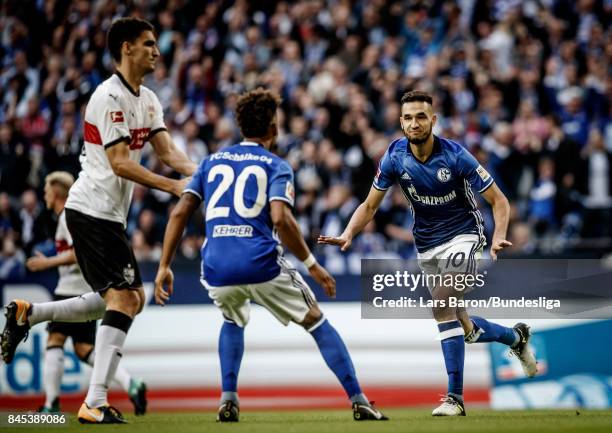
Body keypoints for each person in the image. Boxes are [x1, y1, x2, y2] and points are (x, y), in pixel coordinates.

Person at [1, 17, 196, 424]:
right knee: (124, 299)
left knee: (130, 299)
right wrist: (174, 188)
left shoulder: (148, 99)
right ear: (126, 48)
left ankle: (29, 314)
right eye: (148, 44)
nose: (157, 52)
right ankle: (94, 401)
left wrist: (204, 174)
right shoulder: (107, 97)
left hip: (108, 215)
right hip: (91, 210)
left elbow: (168, 152)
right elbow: (121, 164)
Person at [154, 88, 387, 422]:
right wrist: (313, 265)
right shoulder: (276, 166)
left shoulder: (210, 162)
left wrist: (164, 265)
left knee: (232, 317)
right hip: (260, 263)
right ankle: (359, 400)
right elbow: (280, 218)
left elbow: (178, 215)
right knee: (315, 319)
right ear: (273, 128)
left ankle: (228, 398)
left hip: (216, 266)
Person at [318, 90, 537, 416]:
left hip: (465, 236)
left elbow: (499, 200)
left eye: (421, 116)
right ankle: (516, 338)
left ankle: (455, 399)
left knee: (441, 304)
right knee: (465, 328)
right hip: (427, 245)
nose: (414, 123)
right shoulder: (394, 157)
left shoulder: (456, 155)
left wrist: (498, 237)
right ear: (401, 121)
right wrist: (348, 233)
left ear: (433, 120)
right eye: (408, 117)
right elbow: (369, 205)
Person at [26, 172, 147, 415]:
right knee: (84, 349)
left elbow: (78, 252)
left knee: (55, 340)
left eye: (47, 191)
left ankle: (51, 405)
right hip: (86, 290)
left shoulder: (70, 216)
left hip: (71, 290)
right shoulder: (70, 215)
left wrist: (47, 263)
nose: (45, 196)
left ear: (57, 192)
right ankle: (129, 383)